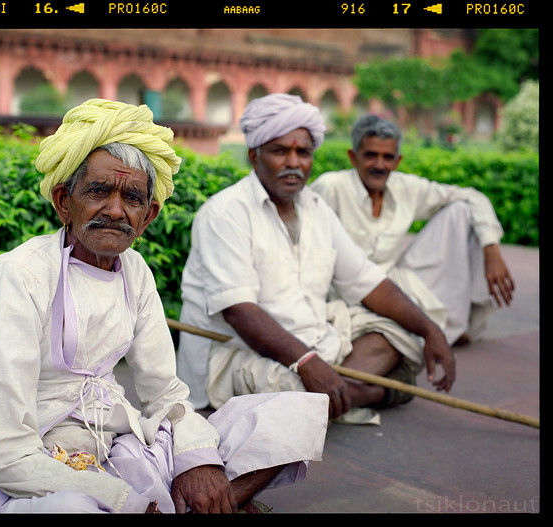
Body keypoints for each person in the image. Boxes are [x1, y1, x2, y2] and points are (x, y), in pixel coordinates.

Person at [0, 99, 329, 514]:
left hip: (114, 445)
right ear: (65, 201)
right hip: (30, 466)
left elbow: (165, 394)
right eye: (99, 191)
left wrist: (198, 461)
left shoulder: (135, 271)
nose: (116, 211)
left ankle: (191, 502)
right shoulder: (21, 275)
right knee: (73, 510)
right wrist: (122, 500)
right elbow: (1, 451)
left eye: (133, 198)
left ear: (148, 215)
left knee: (294, 414)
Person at [176, 94, 455, 425]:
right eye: (280, 151)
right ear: (255, 156)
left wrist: (431, 330)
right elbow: (240, 312)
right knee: (297, 391)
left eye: (303, 152)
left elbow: (367, 280)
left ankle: (334, 395)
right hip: (238, 353)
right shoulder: (225, 213)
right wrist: (306, 362)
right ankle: (374, 392)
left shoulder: (316, 208)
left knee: (395, 333)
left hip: (315, 342)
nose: (294, 162)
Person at [310, 114, 515, 346]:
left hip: (393, 286)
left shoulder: (405, 187)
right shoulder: (331, 187)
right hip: (344, 294)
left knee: (461, 210)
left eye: (388, 157)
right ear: (353, 157)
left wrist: (491, 249)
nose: (379, 165)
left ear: (397, 161)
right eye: (370, 156)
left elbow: (473, 197)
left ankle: (452, 326)